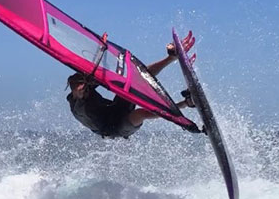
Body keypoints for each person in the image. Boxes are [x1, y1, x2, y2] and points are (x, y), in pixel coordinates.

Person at [66, 31, 196, 139]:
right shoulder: (77, 102)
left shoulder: (84, 82)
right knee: (140, 114)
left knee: (137, 78)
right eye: (80, 89)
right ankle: (185, 104)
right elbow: (75, 84)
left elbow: (90, 74)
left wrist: (101, 50)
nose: (82, 88)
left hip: (113, 109)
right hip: (113, 128)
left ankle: (171, 58)